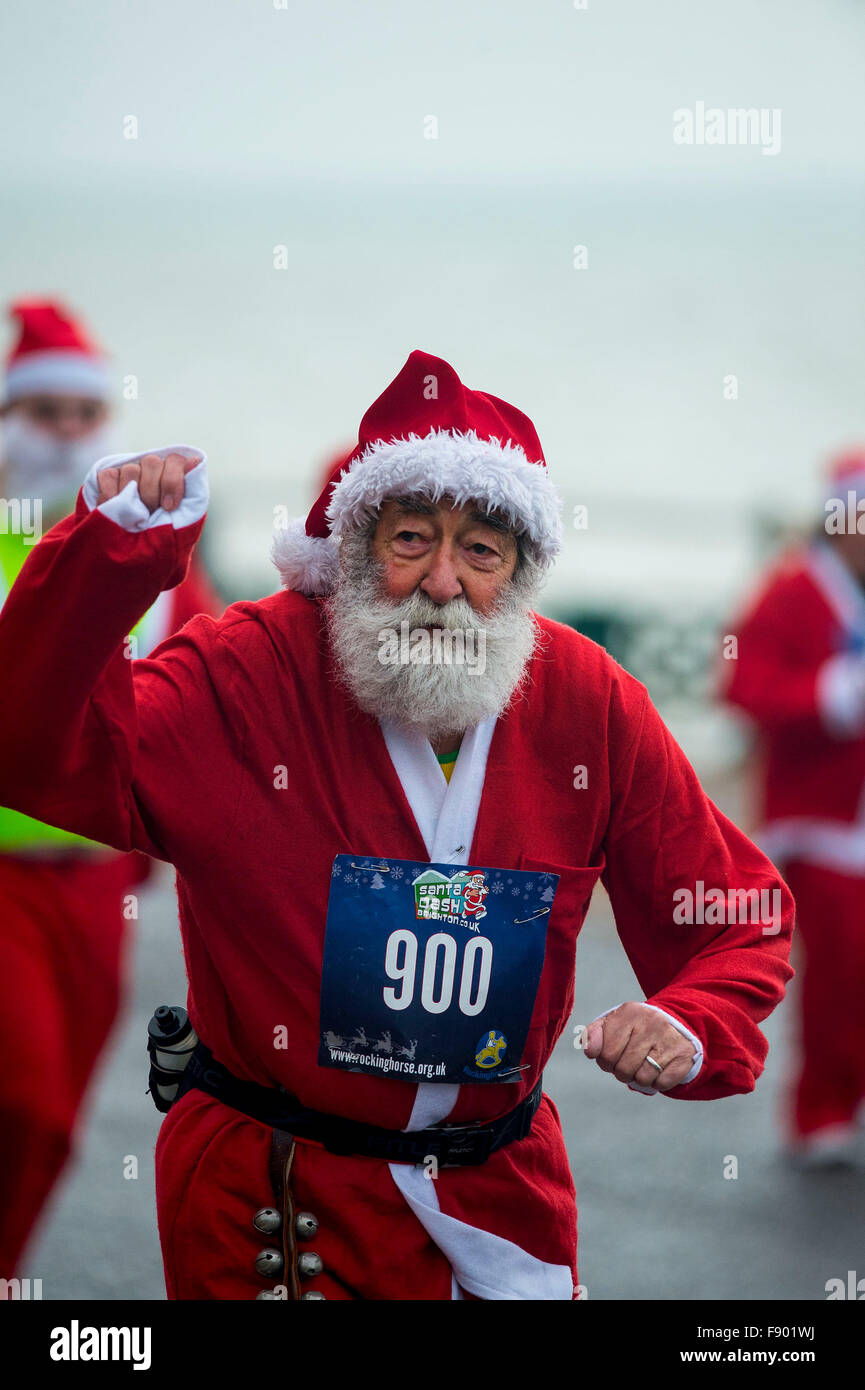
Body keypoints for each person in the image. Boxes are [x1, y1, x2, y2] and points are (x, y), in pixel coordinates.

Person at [0, 350, 794, 1300]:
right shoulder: (245, 673)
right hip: (274, 1210)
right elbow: (33, 745)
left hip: (503, 1208)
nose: (443, 583)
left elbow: (732, 911)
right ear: (351, 548)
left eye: (483, 552)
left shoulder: (589, 700)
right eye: (411, 539)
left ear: (526, 571)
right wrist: (109, 551)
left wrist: (689, 1019)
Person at [0, 299, 222, 1275]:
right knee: (25, 1095)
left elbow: (210, 691)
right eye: (41, 412)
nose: (64, 432)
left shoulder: (159, 559)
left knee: (56, 1124)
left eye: (82, 415)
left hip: (97, 883)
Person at [720, 449, 865, 1165]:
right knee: (842, 970)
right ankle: (820, 1114)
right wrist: (831, 696)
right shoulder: (791, 592)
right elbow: (741, 688)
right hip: (820, 824)